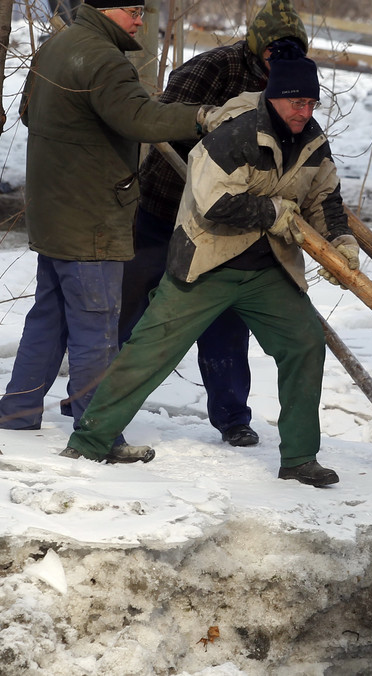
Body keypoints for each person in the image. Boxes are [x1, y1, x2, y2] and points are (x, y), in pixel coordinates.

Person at [61, 42, 360, 487]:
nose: (304, 110)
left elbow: (323, 197)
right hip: (208, 260)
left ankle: (299, 457)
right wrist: (275, 214)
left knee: (304, 343)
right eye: (297, 101)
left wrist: (341, 239)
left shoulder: (312, 140)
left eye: (312, 102)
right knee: (150, 350)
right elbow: (214, 203)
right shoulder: (234, 135)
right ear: (274, 96)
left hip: (267, 270)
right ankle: (91, 441)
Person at [0, 0, 207, 458]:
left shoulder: (58, 46)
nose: (140, 20)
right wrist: (202, 117)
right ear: (107, 9)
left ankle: (19, 412)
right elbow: (142, 120)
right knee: (97, 327)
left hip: (54, 210)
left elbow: (29, 113)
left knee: (49, 316)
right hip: (91, 217)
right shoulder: (104, 60)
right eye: (133, 10)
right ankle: (99, 432)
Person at [123, 0, 309, 450]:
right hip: (164, 207)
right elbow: (160, 119)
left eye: (290, 55)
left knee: (226, 322)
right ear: (256, 47)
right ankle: (91, 399)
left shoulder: (295, 82)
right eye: (273, 55)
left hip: (226, 227)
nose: (279, 66)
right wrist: (210, 135)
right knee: (130, 311)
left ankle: (232, 418)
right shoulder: (211, 69)